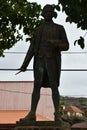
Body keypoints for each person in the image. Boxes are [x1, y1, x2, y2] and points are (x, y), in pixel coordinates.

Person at [19, 4, 69, 121]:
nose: (47, 14)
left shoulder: (59, 28)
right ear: (42, 14)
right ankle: (32, 113)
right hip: (40, 60)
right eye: (45, 12)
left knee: (54, 85)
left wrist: (55, 43)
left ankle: (57, 114)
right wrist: (25, 64)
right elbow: (32, 48)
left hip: (52, 61)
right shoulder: (38, 30)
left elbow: (66, 45)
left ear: (53, 14)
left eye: (50, 12)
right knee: (36, 86)